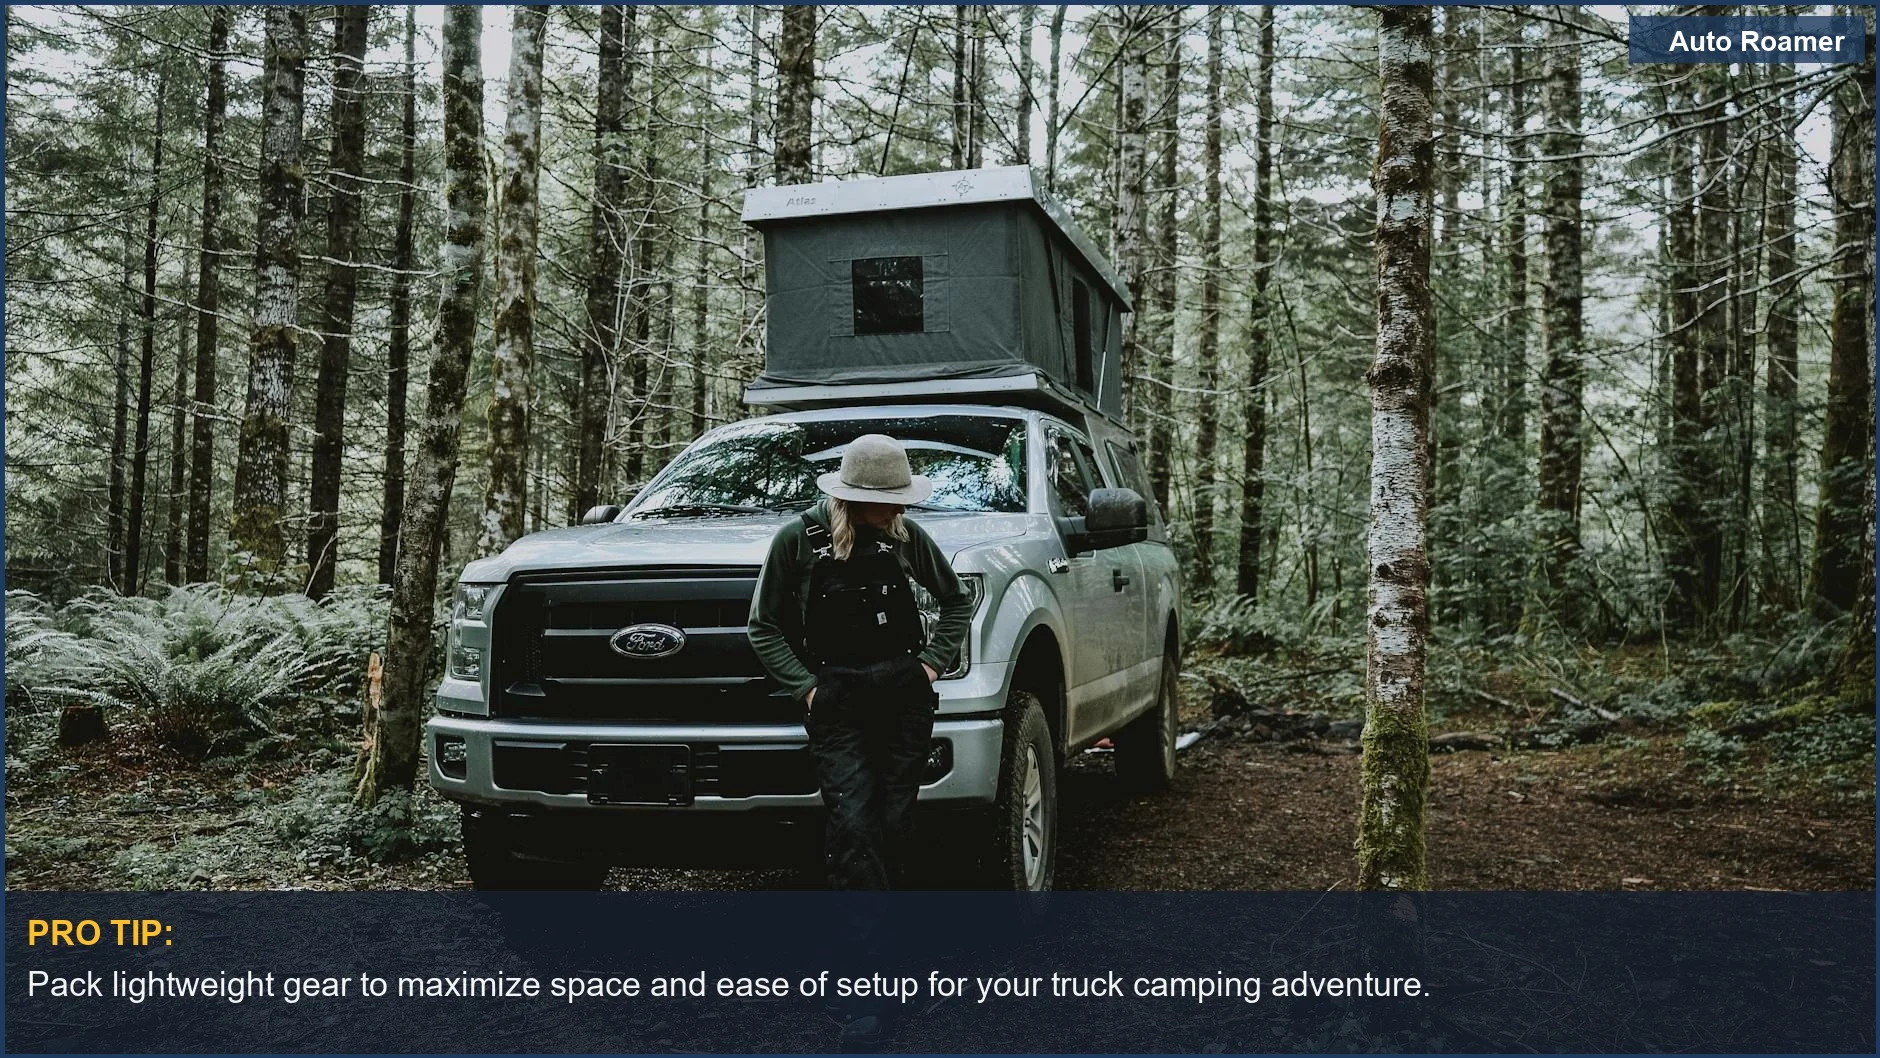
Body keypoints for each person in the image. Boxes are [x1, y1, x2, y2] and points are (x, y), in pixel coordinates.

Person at [748, 433, 974, 891]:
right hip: (837, 701)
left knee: (896, 819)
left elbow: (957, 601)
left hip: (904, 698)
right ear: (854, 499)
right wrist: (808, 689)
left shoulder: (904, 535)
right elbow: (763, 625)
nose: (900, 510)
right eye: (890, 501)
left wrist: (930, 665)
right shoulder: (798, 540)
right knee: (853, 825)